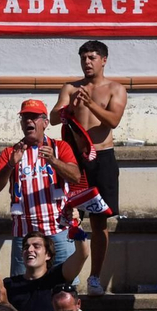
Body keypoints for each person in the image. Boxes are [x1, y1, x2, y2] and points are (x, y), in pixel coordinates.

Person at [55, 40, 129, 295]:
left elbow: (113, 120)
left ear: (104, 60)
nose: (87, 62)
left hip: (102, 157)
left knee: (99, 222)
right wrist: (70, 109)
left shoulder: (115, 88)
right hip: (72, 157)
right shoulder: (70, 88)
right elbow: (53, 118)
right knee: (66, 219)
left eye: (92, 57)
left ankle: (95, 277)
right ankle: (64, 275)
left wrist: (89, 105)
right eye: (84, 57)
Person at [0, 99, 82, 276]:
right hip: (24, 234)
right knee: (22, 290)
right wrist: (10, 166)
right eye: (25, 118)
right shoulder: (11, 152)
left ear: (45, 123)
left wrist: (54, 161)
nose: (29, 121)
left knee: (65, 288)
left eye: (34, 117)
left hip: (59, 230)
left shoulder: (60, 147)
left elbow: (76, 176)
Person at [4, 229, 91, 311]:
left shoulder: (56, 278)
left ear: (48, 255)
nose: (30, 250)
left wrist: (76, 228)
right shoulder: (9, 284)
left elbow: (82, 254)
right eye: (26, 247)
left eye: (36, 246)